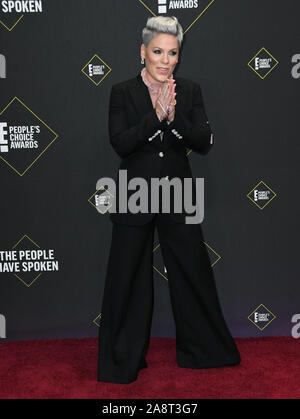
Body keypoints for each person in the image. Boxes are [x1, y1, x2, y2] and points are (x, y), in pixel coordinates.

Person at [97, 15, 241, 384]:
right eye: (158, 51)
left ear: (179, 55)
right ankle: (121, 361)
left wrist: (174, 119)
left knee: (193, 272)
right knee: (127, 278)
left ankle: (205, 352)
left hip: (179, 193)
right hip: (135, 194)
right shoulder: (121, 92)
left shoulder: (189, 92)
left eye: (172, 52)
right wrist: (155, 118)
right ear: (142, 52)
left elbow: (204, 142)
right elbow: (120, 142)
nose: (165, 59)